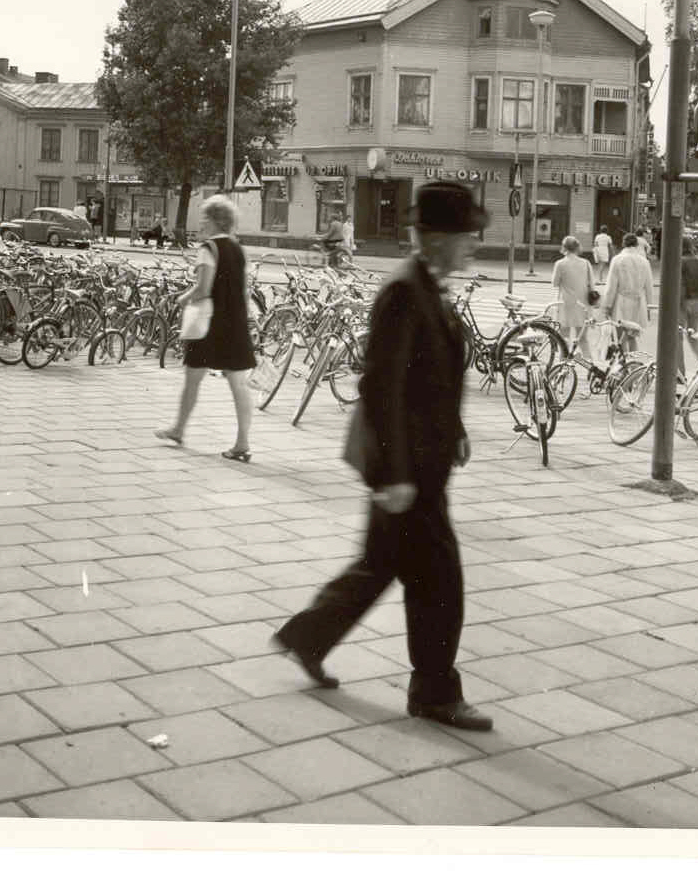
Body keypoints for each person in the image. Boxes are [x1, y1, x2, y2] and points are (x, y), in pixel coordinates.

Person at [272, 180, 492, 731]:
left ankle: (309, 634)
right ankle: (435, 692)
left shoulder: (429, 285)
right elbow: (383, 386)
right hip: (407, 468)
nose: (474, 244)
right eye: (467, 234)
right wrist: (394, 475)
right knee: (440, 580)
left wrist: (456, 426)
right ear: (437, 238)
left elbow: (430, 376)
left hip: (421, 463)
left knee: (382, 564)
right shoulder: (404, 291)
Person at [155, 195, 255, 461]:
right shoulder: (237, 248)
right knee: (238, 383)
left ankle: (178, 428)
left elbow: (203, 288)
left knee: (193, 378)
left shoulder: (207, 248)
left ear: (214, 221)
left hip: (209, 324)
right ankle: (242, 442)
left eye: (204, 218)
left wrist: (182, 298)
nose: (200, 223)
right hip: (234, 322)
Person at [552, 234, 597, 360]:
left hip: (566, 304)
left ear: (564, 248)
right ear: (577, 248)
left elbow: (555, 283)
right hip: (582, 305)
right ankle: (590, 366)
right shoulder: (586, 263)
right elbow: (592, 284)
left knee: (564, 339)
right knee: (583, 339)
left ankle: (562, 365)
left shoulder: (560, 264)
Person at [603, 232, 655, 338]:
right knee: (632, 337)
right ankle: (632, 354)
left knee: (619, 336)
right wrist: (649, 306)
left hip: (621, 302)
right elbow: (649, 286)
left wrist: (607, 305)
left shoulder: (617, 260)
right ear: (636, 245)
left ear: (623, 244)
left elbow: (611, 286)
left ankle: (624, 354)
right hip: (638, 303)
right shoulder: (644, 262)